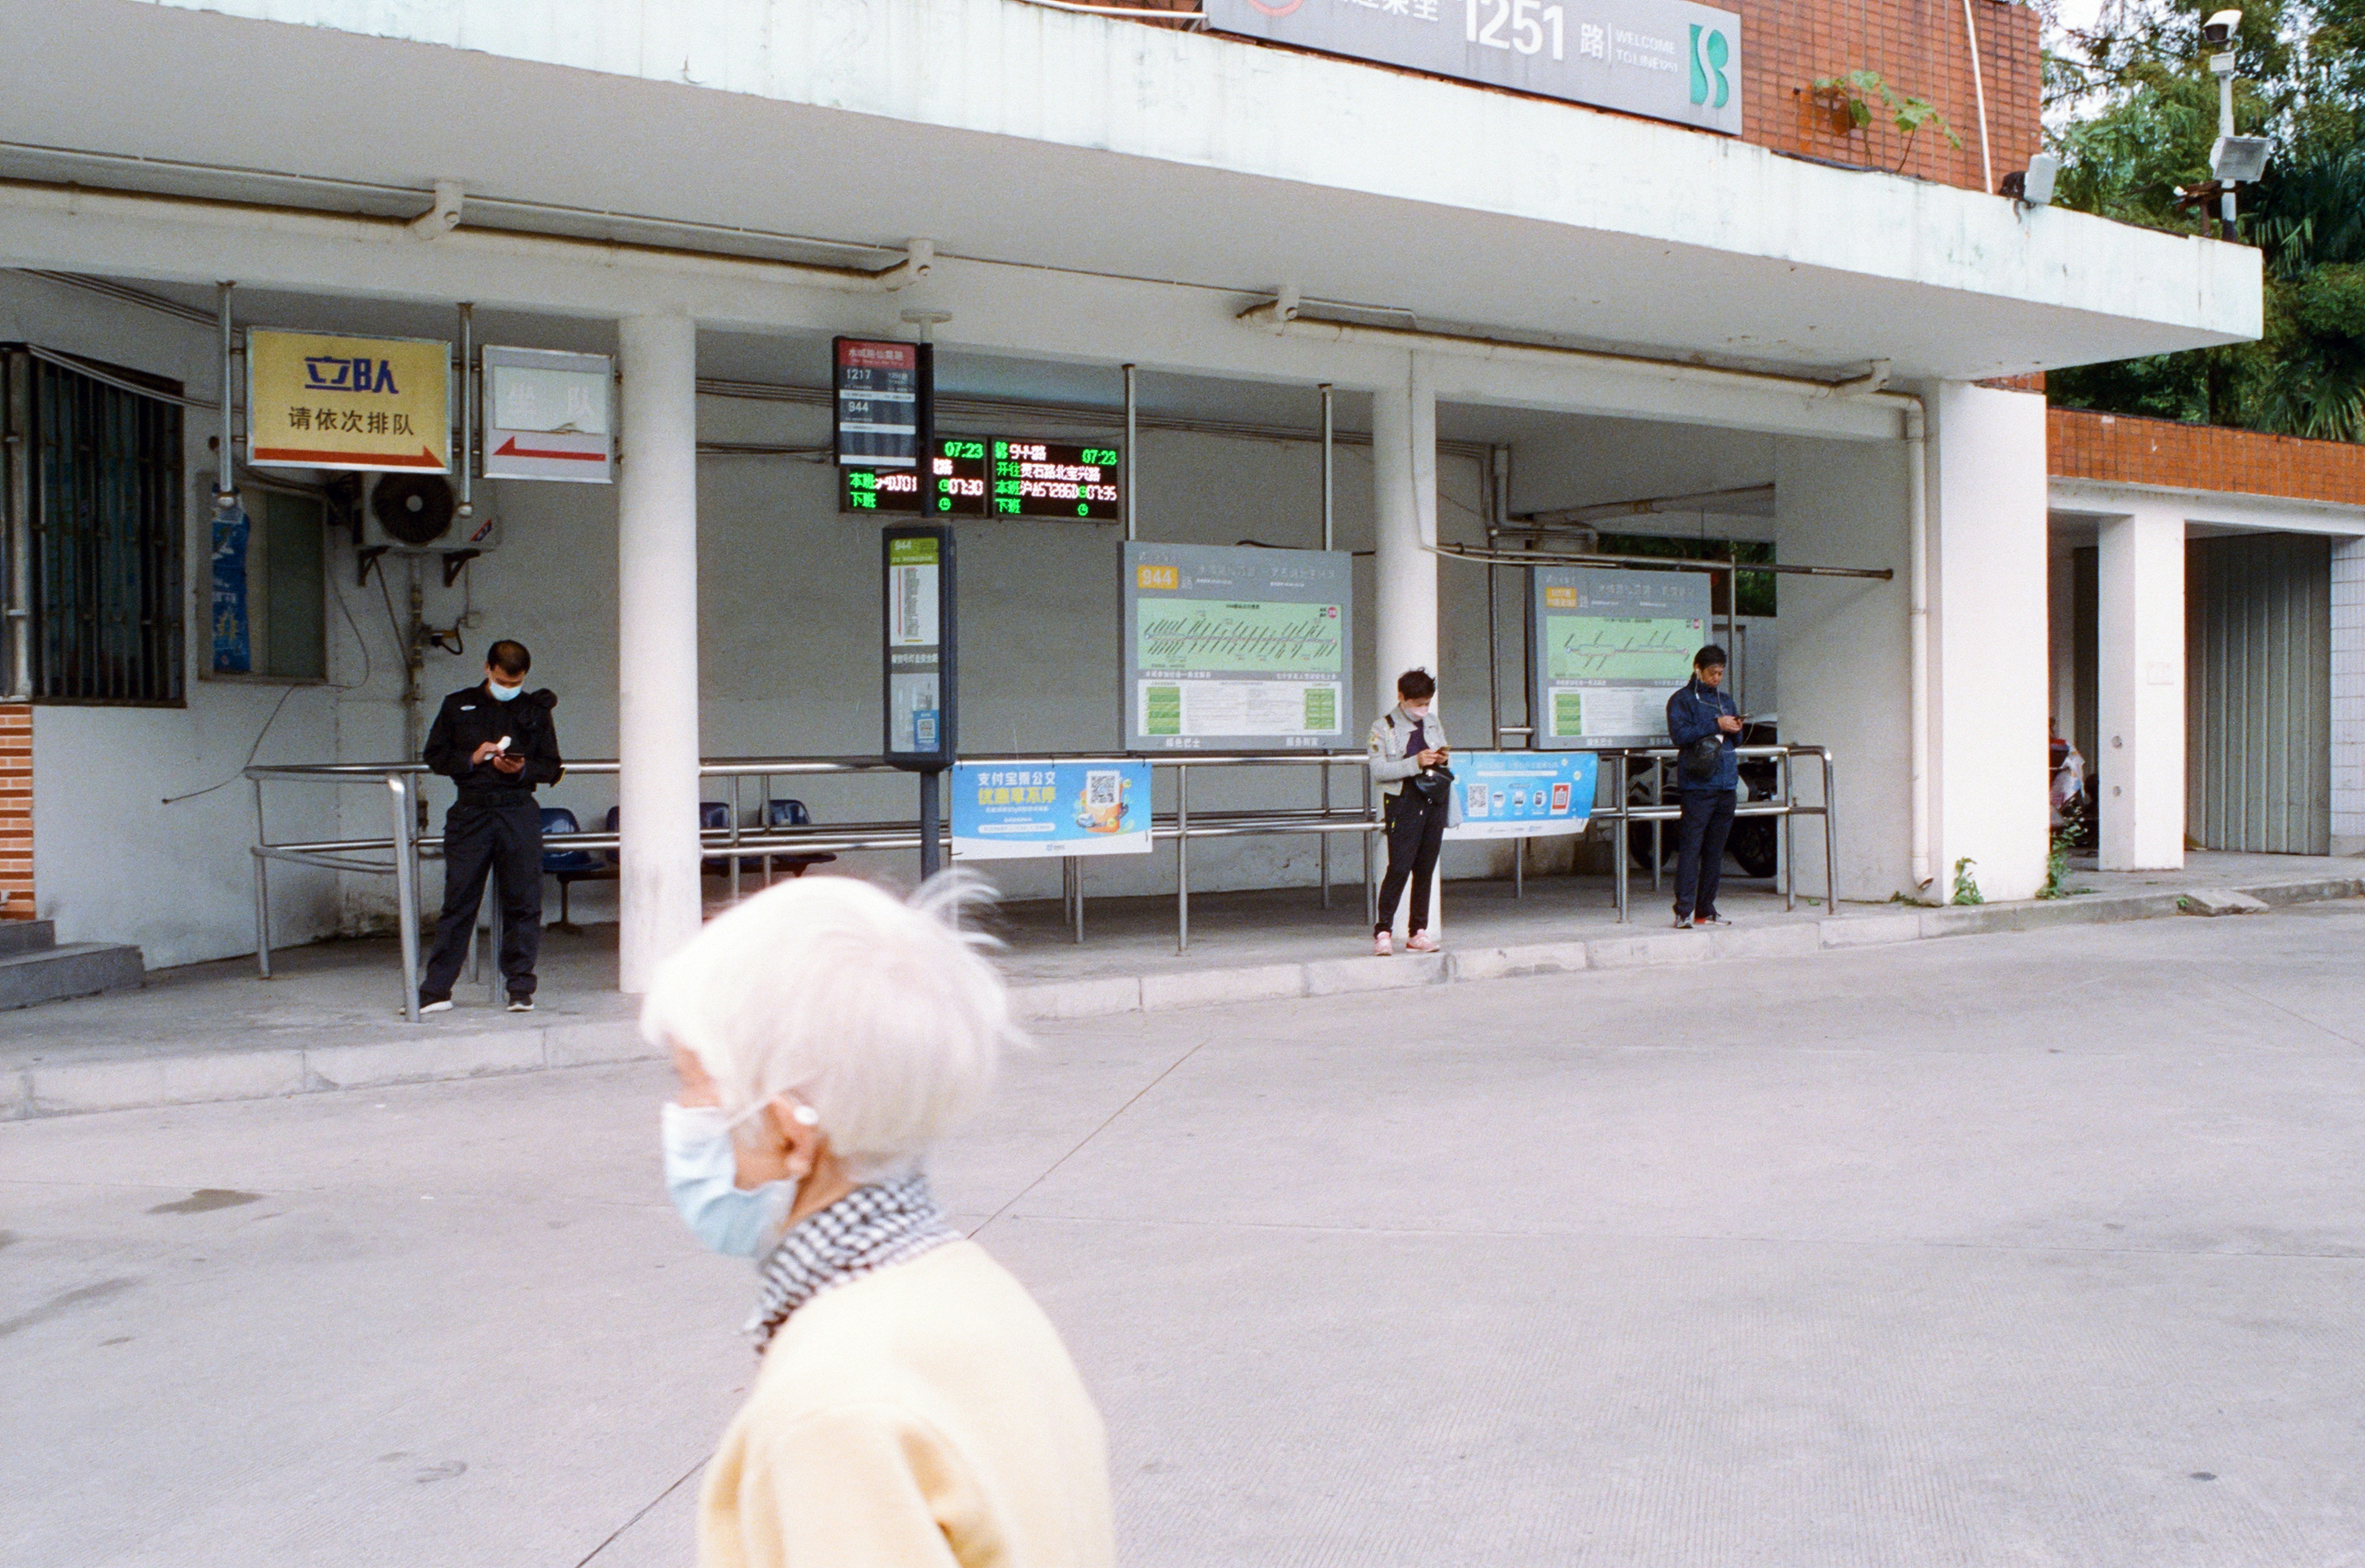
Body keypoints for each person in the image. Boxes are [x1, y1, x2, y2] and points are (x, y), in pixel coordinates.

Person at [645, 876, 1115, 1568]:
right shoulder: (968, 1288)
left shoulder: (835, 1406)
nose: (682, 1114)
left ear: (789, 1134)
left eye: (693, 1083)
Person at [416, 639, 562, 1013]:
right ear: (487, 669)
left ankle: (520, 988)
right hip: (472, 810)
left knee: (524, 900)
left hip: (517, 809)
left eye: (516, 682)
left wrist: (523, 769)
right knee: (459, 900)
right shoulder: (457, 704)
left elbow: (552, 765)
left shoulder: (535, 709)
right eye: (502, 680)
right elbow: (435, 755)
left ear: (525, 677)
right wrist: (472, 758)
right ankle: (436, 990)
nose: (508, 688)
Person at [1367, 667, 1450, 957]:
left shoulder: (1433, 722)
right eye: (1418, 704)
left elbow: (1440, 753)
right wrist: (1414, 763)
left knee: (1426, 867)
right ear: (1402, 697)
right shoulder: (1383, 727)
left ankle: (1419, 931)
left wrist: (1441, 758)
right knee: (1400, 866)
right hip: (1403, 801)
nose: (1423, 710)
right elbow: (1379, 770)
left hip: (1433, 798)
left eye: (1427, 703)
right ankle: (1384, 931)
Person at [1665, 644, 1742, 930]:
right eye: (1712, 673)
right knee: (1691, 848)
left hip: (1726, 782)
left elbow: (1737, 741)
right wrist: (1715, 724)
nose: (1717, 679)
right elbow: (1680, 735)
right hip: (1698, 785)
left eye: (1721, 673)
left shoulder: (1726, 700)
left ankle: (1706, 908)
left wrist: (1735, 726)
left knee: (1715, 850)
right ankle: (1684, 910)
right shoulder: (1682, 701)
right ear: (1698, 669)